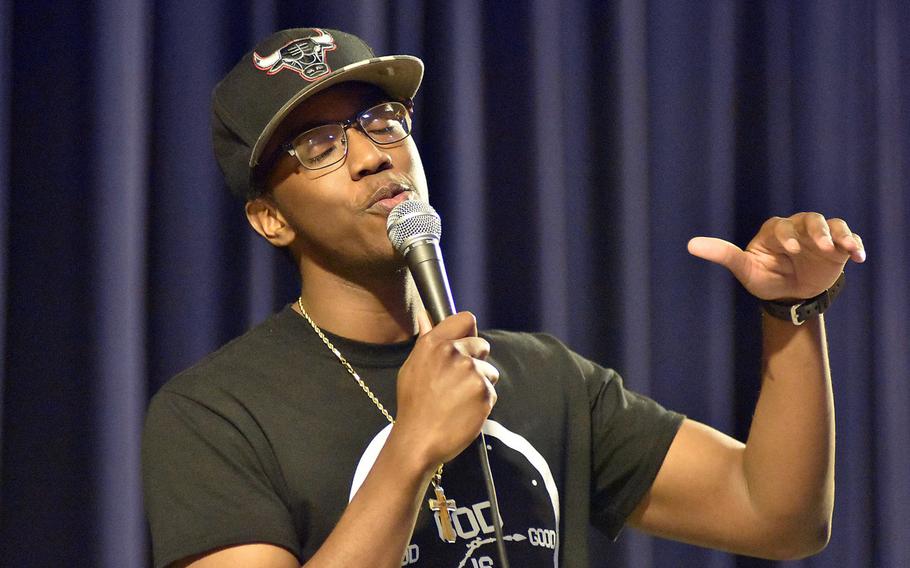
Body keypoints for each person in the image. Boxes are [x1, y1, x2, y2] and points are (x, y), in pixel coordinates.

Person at [142, 28, 865, 568]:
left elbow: (780, 518)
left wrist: (792, 312)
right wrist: (410, 448)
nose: (371, 154)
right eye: (320, 145)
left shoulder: (540, 377)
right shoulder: (215, 413)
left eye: (380, 119)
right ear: (271, 217)